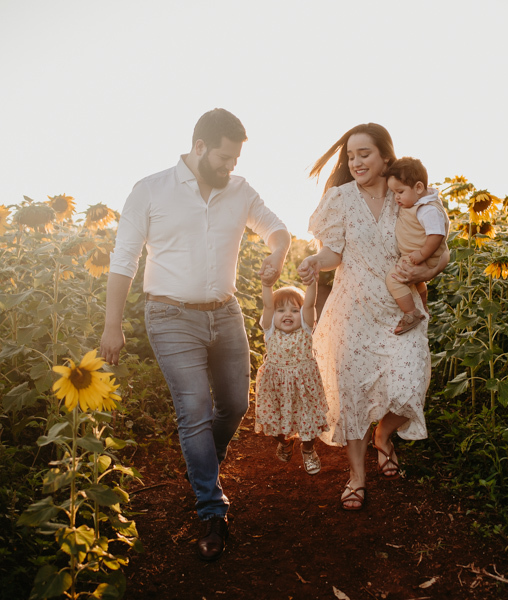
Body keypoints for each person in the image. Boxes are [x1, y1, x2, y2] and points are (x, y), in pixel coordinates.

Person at [100, 108, 291, 561]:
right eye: (225, 158)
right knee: (194, 408)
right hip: (169, 315)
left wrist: (279, 251)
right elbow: (124, 259)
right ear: (200, 147)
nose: (231, 167)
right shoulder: (150, 191)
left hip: (225, 313)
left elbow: (276, 228)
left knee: (237, 404)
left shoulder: (239, 191)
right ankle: (211, 507)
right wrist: (112, 325)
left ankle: (203, 465)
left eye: (236, 160)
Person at [297, 123, 448, 511]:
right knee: (351, 395)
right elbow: (333, 254)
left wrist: (428, 271)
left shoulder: (409, 195)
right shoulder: (340, 199)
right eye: (350, 155)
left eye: (364, 153)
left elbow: (439, 245)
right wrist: (316, 261)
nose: (356, 161)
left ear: (385, 156)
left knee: (411, 380)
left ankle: (383, 435)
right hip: (353, 309)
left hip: (401, 308)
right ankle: (356, 476)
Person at [255, 279, 328, 475]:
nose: (288, 314)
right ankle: (285, 442)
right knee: (275, 422)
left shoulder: (305, 328)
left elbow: (311, 303)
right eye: (281, 310)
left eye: (295, 311)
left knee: (308, 420)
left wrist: (313, 282)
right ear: (273, 314)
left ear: (302, 315)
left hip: (303, 385)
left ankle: (308, 449)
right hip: (275, 386)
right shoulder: (270, 330)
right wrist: (267, 284)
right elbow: (268, 304)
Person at [384, 157, 450, 335]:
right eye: (393, 192)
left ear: (419, 187)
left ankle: (411, 313)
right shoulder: (416, 204)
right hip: (417, 254)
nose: (396, 197)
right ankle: (422, 306)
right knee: (417, 282)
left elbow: (436, 235)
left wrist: (422, 254)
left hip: (420, 254)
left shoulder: (427, 209)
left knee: (394, 279)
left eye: (400, 191)